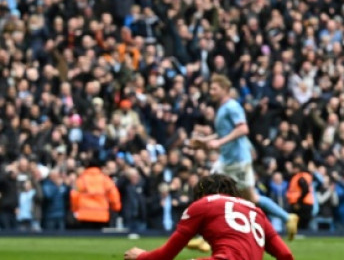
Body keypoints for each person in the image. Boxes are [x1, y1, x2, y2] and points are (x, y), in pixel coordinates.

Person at [192, 74, 299, 250]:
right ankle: (206, 236)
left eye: (214, 88)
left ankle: (287, 218)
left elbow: (242, 129)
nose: (211, 91)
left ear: (225, 89)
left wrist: (218, 143)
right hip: (227, 161)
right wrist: (205, 141)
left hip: (238, 161)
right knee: (211, 194)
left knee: (247, 198)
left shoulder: (232, 107)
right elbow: (224, 132)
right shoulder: (223, 108)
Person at [123, 174, 294, 260]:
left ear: (203, 193)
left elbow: (167, 254)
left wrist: (141, 256)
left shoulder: (203, 204)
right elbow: (286, 256)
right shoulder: (257, 212)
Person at [70, 156, 122, 229]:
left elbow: (74, 194)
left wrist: (75, 209)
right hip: (101, 214)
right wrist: (116, 207)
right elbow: (113, 194)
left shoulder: (81, 180)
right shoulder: (105, 179)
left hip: (85, 214)